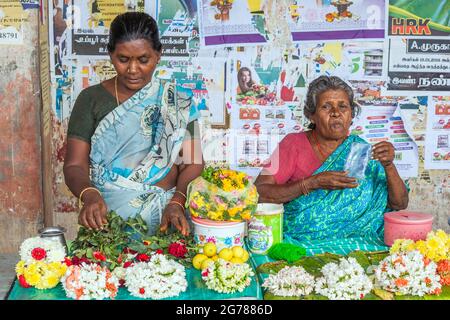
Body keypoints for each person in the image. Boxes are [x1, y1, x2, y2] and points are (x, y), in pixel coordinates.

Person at [64, 12, 203, 237]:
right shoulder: (90, 99)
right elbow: (74, 165)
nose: (133, 69)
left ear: (158, 55)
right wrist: (89, 195)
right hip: (108, 220)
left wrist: (178, 201)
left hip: (169, 218)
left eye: (143, 59)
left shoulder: (179, 100)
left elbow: (193, 162)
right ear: (110, 55)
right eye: (123, 59)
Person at [255, 75, 408, 254]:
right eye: (326, 106)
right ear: (311, 115)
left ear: (351, 114)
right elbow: (258, 193)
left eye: (343, 106)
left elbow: (399, 204)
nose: (336, 112)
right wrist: (311, 183)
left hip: (358, 246)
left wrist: (389, 166)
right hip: (303, 245)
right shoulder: (292, 144)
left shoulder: (362, 150)